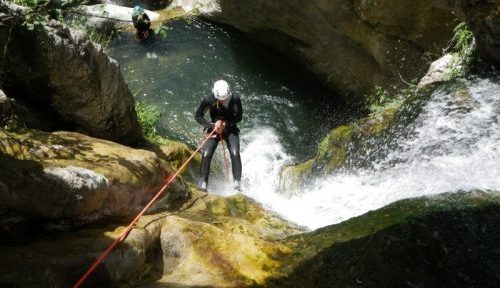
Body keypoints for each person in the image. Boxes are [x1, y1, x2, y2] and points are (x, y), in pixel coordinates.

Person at [195, 80, 243, 191]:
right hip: (214, 128)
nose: (223, 101)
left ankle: (237, 182)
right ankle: (203, 182)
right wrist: (212, 126)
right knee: (206, 154)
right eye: (220, 100)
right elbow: (198, 116)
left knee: (235, 153)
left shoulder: (235, 99)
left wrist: (226, 124)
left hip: (230, 128)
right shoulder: (209, 99)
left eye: (225, 99)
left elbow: (239, 117)